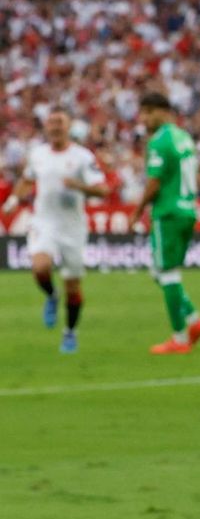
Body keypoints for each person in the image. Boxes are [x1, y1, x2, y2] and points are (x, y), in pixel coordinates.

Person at [4, 109, 109, 353]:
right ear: (46, 126)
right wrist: (12, 201)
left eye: (59, 122)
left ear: (69, 126)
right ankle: (52, 295)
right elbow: (27, 180)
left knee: (73, 287)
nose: (55, 126)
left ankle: (70, 332)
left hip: (73, 227)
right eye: (51, 122)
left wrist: (78, 186)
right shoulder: (38, 154)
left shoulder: (83, 157)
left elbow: (103, 190)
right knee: (40, 268)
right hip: (44, 222)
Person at [133, 93, 200, 356]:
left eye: (147, 112)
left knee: (166, 273)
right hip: (188, 209)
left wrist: (137, 210)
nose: (143, 119)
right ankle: (194, 320)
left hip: (167, 212)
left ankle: (180, 338)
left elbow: (154, 183)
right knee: (160, 271)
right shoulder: (183, 137)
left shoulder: (160, 141)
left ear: (161, 111)